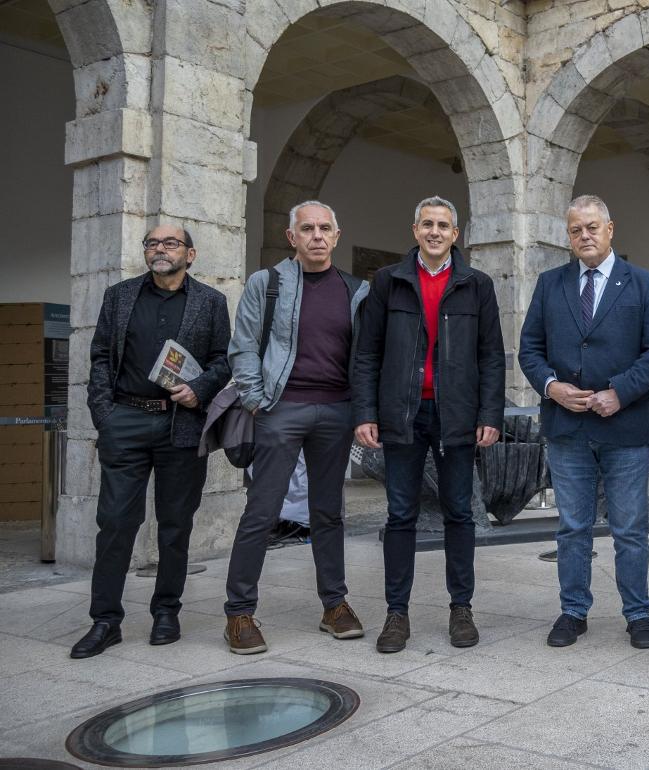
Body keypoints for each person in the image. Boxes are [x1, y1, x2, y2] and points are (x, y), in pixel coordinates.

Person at [352, 195, 505, 653]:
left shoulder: (476, 284)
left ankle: (462, 608)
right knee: (401, 515)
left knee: (460, 512)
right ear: (415, 230)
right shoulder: (388, 281)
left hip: (456, 414)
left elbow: (491, 356)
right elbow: (367, 354)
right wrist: (365, 413)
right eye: (427, 224)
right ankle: (396, 614)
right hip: (403, 413)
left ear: (455, 235)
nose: (435, 232)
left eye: (444, 225)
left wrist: (489, 415)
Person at [518, 194, 649, 649]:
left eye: (591, 227)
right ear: (568, 236)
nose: (584, 236)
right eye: (575, 230)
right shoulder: (550, 284)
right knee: (572, 527)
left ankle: (638, 614)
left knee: (629, 527)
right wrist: (551, 386)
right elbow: (530, 348)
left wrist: (620, 392)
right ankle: (572, 611)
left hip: (625, 426)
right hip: (568, 426)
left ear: (610, 228)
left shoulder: (643, 283)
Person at [71, 225, 232, 658]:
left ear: (190, 254)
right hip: (125, 420)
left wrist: (199, 387)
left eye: (170, 243)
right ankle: (105, 621)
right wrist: (105, 415)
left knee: (176, 526)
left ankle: (167, 611)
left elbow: (223, 360)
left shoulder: (211, 302)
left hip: (181, 424)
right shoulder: (120, 295)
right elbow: (101, 355)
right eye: (152, 244)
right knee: (117, 524)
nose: (160, 250)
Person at [223, 200, 370, 654]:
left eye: (325, 228)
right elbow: (244, 345)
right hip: (280, 409)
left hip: (336, 413)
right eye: (307, 229)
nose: (317, 236)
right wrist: (256, 400)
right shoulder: (266, 284)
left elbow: (365, 356)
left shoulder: (357, 290)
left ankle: (335, 605)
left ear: (337, 235)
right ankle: (239, 613)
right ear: (293, 237)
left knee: (328, 514)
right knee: (262, 512)